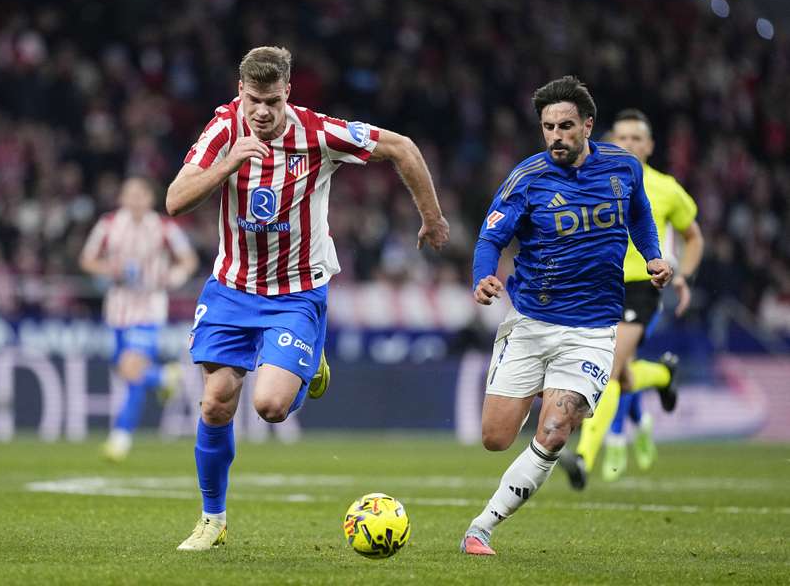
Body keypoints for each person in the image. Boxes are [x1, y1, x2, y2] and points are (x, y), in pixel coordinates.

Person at [164, 46, 449, 551]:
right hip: (231, 288)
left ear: (288, 92)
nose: (262, 112)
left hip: (295, 293)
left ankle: (309, 360)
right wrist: (229, 164)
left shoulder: (318, 133)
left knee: (271, 406)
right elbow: (175, 200)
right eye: (253, 100)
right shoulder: (224, 130)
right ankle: (213, 520)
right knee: (214, 404)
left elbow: (402, 147)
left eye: (272, 100)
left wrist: (432, 217)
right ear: (240, 91)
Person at [461, 76, 672, 556]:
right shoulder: (527, 178)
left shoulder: (623, 168)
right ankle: (541, 382)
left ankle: (481, 528)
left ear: (588, 126)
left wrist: (653, 255)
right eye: (548, 127)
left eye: (565, 126)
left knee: (556, 426)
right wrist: (483, 277)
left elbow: (639, 214)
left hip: (594, 329)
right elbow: (491, 236)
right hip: (532, 322)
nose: (555, 135)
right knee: (495, 439)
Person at [577, 109, 703, 483]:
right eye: (622, 138)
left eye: (637, 138)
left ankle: (582, 457)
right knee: (623, 375)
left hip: (642, 287)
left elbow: (693, 236)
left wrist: (684, 276)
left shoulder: (666, 187)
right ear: (609, 142)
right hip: (600, 285)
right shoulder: (593, 180)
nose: (629, 144)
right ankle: (664, 373)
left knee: (608, 369)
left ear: (649, 145)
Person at [80, 176, 199, 461]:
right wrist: (110, 270)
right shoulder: (108, 225)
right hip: (119, 308)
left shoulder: (164, 227)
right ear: (122, 198)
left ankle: (120, 438)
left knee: (132, 371)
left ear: (150, 199)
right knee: (124, 369)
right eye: (129, 194)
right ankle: (163, 376)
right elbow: (87, 259)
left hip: (149, 308)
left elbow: (188, 259)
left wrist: (171, 277)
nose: (135, 200)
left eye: (140, 195)